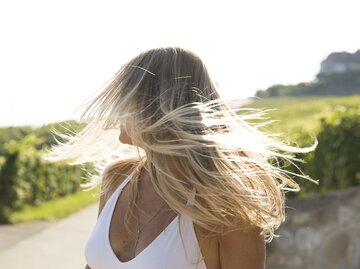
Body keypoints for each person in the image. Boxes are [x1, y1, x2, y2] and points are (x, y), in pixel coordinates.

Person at [44, 47, 318, 269]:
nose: (117, 109)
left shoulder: (224, 208)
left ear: (158, 104)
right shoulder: (117, 180)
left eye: (127, 97)